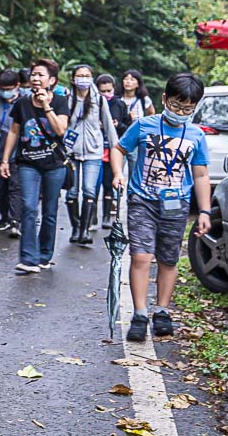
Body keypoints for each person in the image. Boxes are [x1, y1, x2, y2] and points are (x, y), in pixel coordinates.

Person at [111, 73, 212, 341]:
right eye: (176, 106)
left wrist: (204, 211)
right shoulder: (144, 126)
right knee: (141, 256)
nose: (181, 113)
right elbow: (119, 149)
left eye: (188, 109)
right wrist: (118, 173)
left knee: (168, 258)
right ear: (164, 99)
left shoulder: (196, 135)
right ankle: (140, 314)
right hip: (142, 199)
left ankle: (162, 311)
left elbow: (201, 175)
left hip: (176, 205)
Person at [0, 59, 69, 275]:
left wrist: (46, 106)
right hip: (28, 162)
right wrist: (4, 159)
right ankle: (28, 258)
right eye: (33, 74)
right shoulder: (22, 103)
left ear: (52, 80)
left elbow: (60, 130)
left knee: (49, 211)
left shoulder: (60, 101)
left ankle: (44, 255)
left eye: (41, 75)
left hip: (54, 164)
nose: (36, 78)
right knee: (28, 207)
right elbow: (14, 131)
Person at [64, 64, 119, 246]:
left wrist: (115, 148)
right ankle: (76, 228)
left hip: (93, 151)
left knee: (89, 190)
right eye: (80, 75)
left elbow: (108, 125)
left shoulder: (99, 100)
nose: (84, 79)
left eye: (87, 75)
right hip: (71, 152)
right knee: (72, 192)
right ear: (73, 79)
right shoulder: (67, 99)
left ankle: (85, 230)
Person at [0, 69, 22, 237]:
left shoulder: (25, 101)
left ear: (17, 86)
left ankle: (15, 220)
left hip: (19, 153)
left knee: (15, 187)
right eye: (2, 88)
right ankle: (4, 216)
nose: (5, 92)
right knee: (1, 187)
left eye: (9, 88)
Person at [97, 74, 133, 227]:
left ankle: (106, 216)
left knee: (108, 183)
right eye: (102, 91)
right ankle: (91, 216)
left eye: (108, 91)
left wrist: (116, 126)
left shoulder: (120, 104)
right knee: (91, 186)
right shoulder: (93, 103)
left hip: (113, 150)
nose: (106, 95)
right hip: (94, 148)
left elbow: (128, 128)